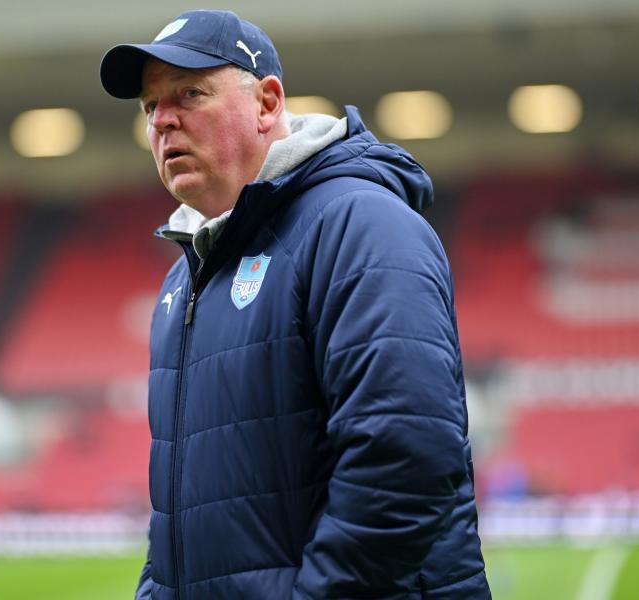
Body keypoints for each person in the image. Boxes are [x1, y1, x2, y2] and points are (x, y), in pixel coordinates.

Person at [100, 10, 490, 599]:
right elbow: (180, 516)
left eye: (190, 94)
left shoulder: (361, 225)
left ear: (267, 103)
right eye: (150, 106)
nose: (164, 120)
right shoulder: (187, 277)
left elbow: (406, 456)